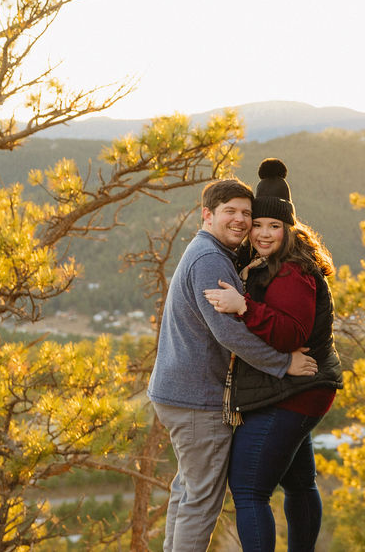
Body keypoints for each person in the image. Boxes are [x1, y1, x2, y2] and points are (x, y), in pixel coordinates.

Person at [147, 177, 318, 552]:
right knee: (202, 501)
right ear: (207, 215)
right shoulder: (210, 258)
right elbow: (230, 333)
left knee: (188, 490)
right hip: (196, 399)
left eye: (247, 213)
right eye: (231, 212)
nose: (241, 220)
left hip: (179, 393)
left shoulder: (208, 251)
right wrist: (282, 364)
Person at [205, 159, 343, 552]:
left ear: (289, 228)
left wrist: (243, 305)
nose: (264, 233)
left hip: (297, 389)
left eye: (274, 226)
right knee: (299, 482)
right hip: (300, 387)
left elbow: (289, 334)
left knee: (249, 488)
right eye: (258, 224)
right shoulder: (272, 263)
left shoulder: (292, 272)